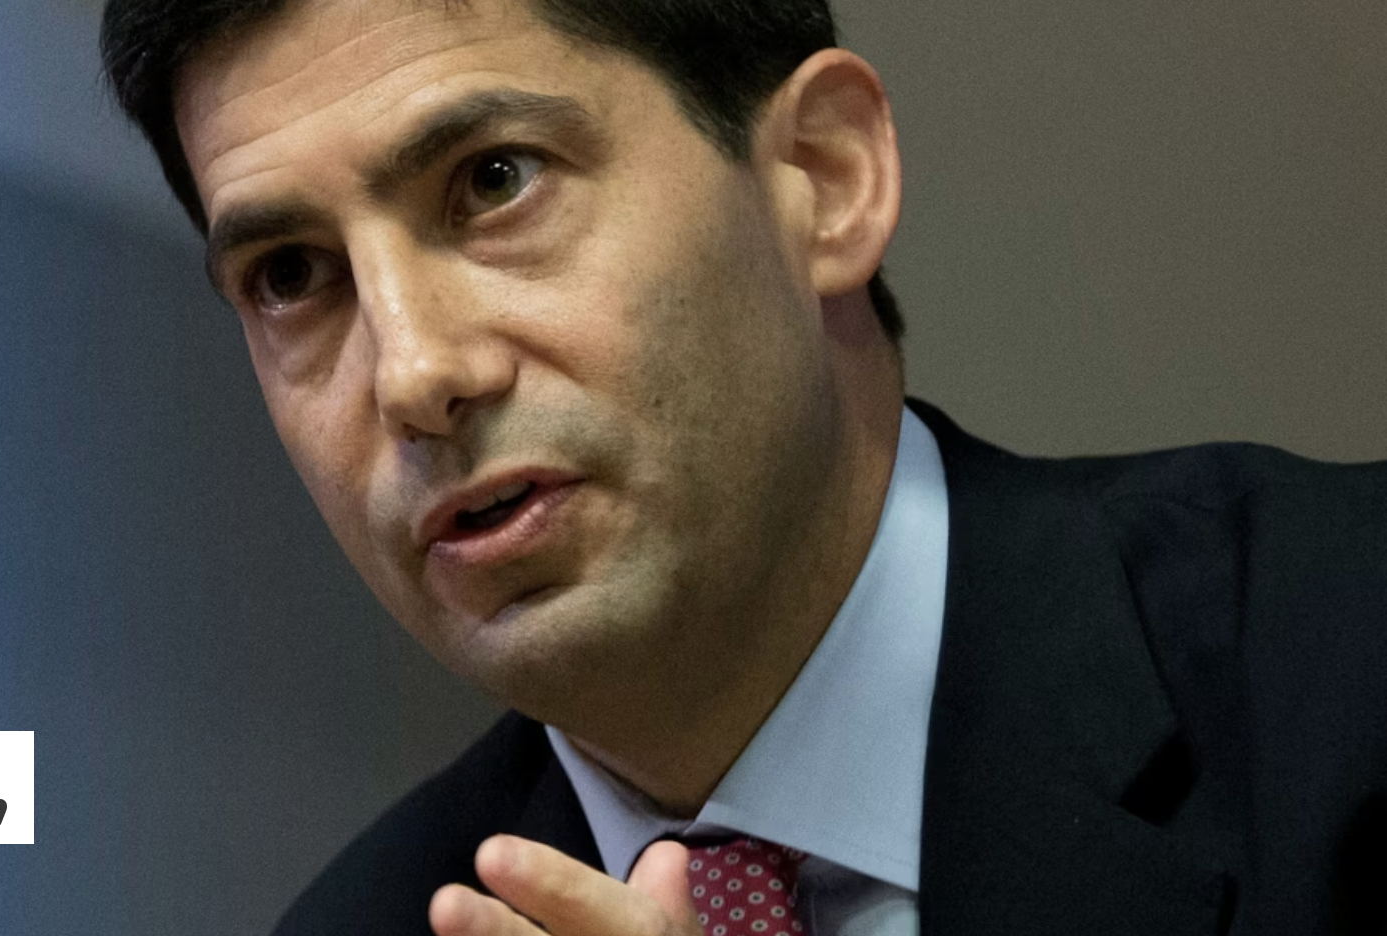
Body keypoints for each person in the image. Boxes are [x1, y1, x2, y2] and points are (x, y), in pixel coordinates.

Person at [95, 1, 1387, 934]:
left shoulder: (1345, 652)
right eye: (290, 275)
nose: (412, 374)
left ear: (823, 178)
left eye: (492, 182)